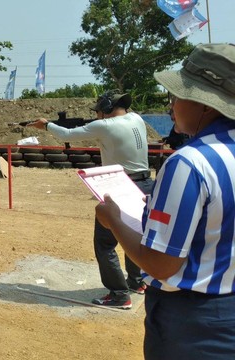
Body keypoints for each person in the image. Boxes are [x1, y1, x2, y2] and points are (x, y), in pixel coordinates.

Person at [95, 43, 235, 359]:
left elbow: (162, 263)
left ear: (205, 104)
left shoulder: (189, 163)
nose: (171, 105)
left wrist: (114, 219)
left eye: (176, 96)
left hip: (192, 323)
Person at [28, 90, 154, 309]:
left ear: (105, 108)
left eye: (99, 110)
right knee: (134, 233)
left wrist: (47, 125)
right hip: (145, 184)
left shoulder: (104, 126)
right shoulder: (137, 119)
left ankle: (119, 294)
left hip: (121, 186)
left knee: (105, 243)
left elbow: (67, 135)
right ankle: (137, 281)